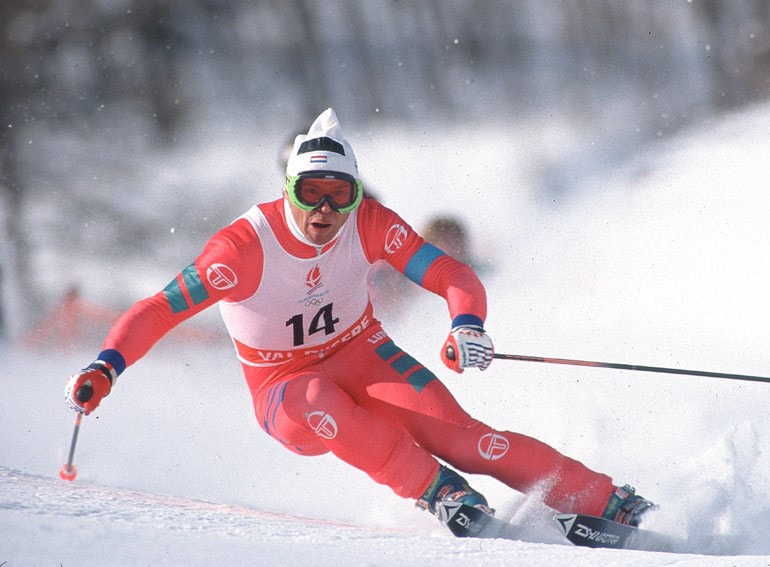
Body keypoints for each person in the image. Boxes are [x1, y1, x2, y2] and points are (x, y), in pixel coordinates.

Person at [65, 108, 653, 527]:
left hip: (364, 354)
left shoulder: (369, 221)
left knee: (473, 441)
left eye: (339, 195)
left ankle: (606, 499)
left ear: (355, 194)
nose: (324, 210)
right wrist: (106, 366)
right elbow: (157, 309)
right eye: (310, 192)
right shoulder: (242, 248)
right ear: (288, 189)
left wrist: (465, 324)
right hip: (283, 389)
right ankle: (439, 493)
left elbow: (453, 275)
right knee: (319, 396)